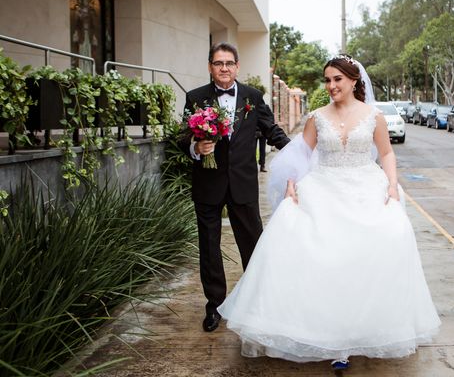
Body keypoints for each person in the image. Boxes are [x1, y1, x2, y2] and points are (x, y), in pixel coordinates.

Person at [218, 54, 440, 369]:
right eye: (328, 80)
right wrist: (292, 183)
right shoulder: (317, 117)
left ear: (353, 81)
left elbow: (387, 153)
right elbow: (300, 154)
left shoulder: (373, 116)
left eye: (337, 79)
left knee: (384, 240)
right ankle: (328, 337)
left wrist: (392, 184)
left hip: (366, 186)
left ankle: (362, 330)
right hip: (324, 187)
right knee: (310, 245)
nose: (331, 85)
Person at [179, 42, 290, 333]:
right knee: (209, 248)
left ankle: (258, 303)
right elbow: (180, 138)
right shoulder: (196, 98)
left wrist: (297, 152)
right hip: (207, 185)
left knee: (253, 245)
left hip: (242, 185)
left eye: (229, 63)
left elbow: (271, 130)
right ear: (210, 67)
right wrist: (195, 146)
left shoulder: (253, 97)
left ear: (237, 67)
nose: (224, 68)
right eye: (218, 63)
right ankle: (214, 305)